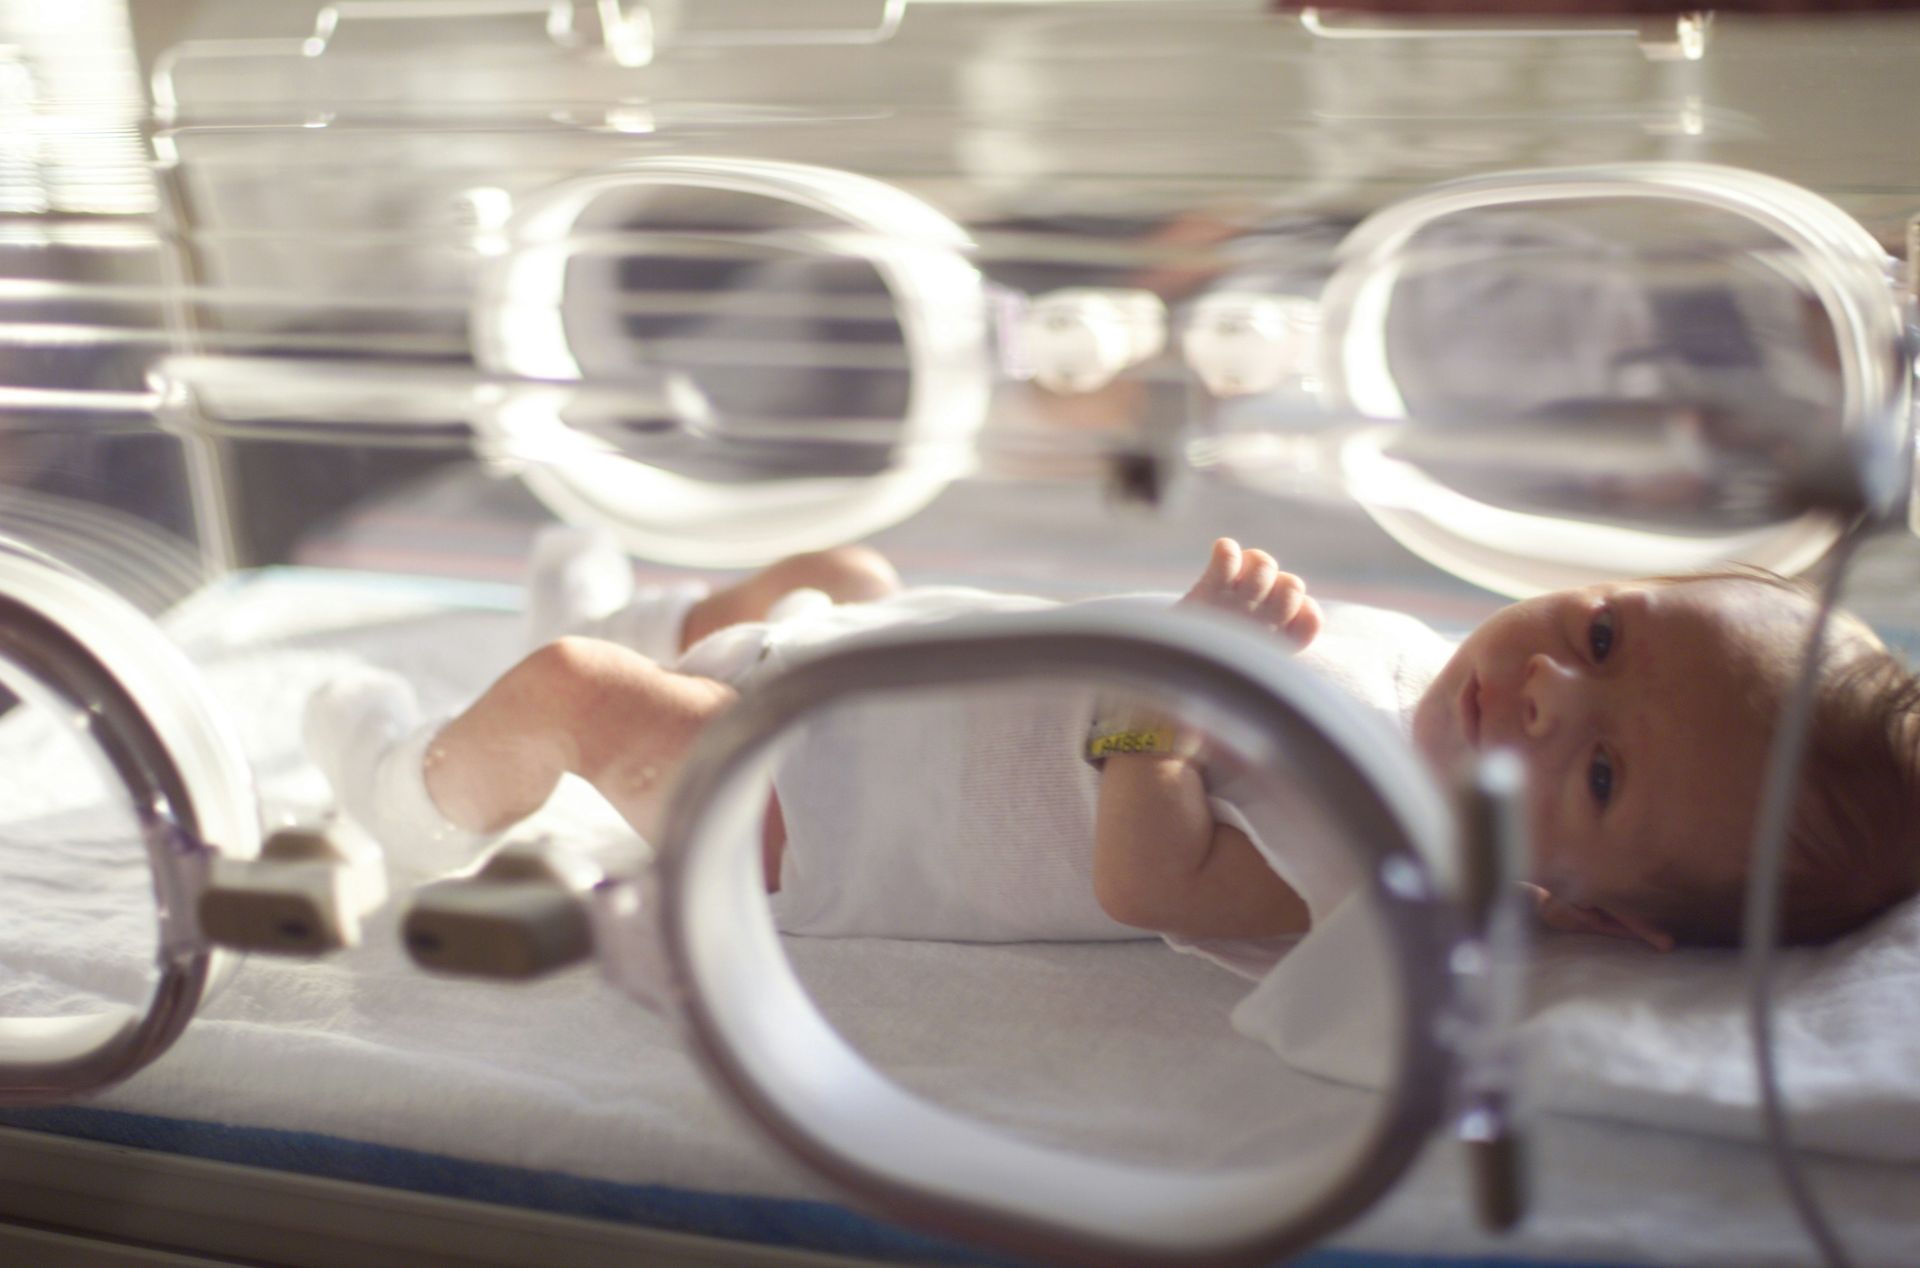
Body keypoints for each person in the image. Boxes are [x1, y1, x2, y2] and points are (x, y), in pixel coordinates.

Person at [305, 530, 1920, 958]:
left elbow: (1149, 876)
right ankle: (667, 611)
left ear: (1600, 910)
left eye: (1605, 773)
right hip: (881, 665)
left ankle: (412, 788)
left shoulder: (1382, 865)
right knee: (835, 575)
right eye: (1608, 635)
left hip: (827, 807)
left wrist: (1171, 684)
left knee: (583, 689)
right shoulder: (1435, 677)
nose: (1555, 687)